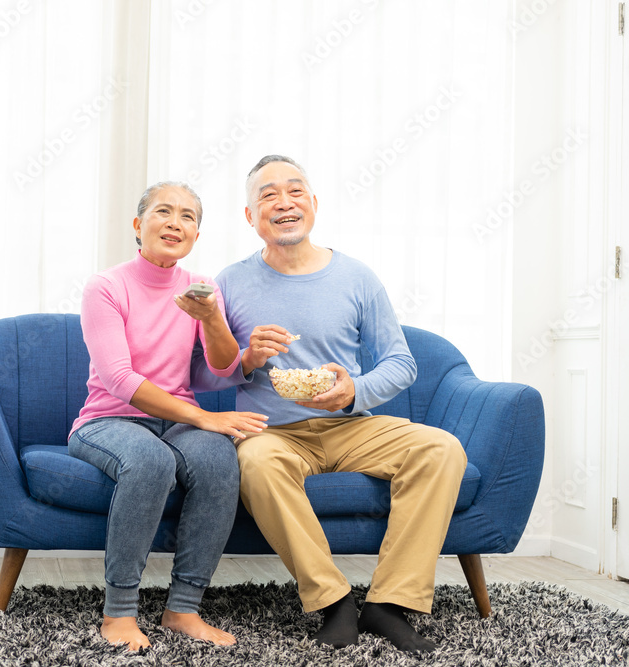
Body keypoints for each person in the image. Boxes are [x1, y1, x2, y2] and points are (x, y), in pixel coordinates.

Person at [191, 155, 467, 653]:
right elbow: (202, 374)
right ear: (250, 217)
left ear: (313, 205)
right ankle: (333, 599)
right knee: (254, 461)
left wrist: (354, 390)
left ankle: (388, 604)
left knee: (441, 448)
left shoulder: (357, 278)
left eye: (295, 191)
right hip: (273, 431)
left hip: (348, 422)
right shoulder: (227, 284)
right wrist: (248, 358)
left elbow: (401, 363)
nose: (284, 202)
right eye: (268, 196)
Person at [68, 181, 269, 651]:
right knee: (152, 460)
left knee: (221, 458)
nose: (175, 223)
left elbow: (220, 368)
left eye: (188, 216)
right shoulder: (106, 286)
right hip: (108, 420)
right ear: (139, 226)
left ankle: (183, 609)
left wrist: (213, 317)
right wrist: (203, 418)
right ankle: (118, 612)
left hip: (175, 422)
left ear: (196, 235)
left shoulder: (202, 289)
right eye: (163, 211)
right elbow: (118, 379)